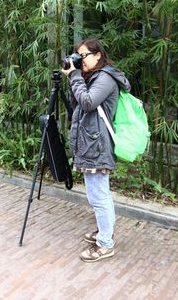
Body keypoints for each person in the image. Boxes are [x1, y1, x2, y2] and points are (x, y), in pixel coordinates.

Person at [61, 38, 131, 263]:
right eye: (78, 57)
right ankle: (105, 232)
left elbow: (89, 102)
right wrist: (76, 78)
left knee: (98, 196)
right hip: (91, 143)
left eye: (83, 56)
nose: (80, 61)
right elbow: (78, 105)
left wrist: (74, 76)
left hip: (97, 145)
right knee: (99, 194)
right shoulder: (92, 77)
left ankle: (105, 244)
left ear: (98, 54)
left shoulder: (106, 78)